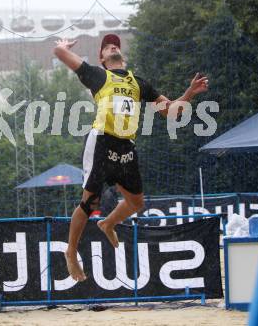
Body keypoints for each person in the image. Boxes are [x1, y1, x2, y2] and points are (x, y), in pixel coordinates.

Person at [53, 34, 209, 282]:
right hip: (103, 141)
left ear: (122, 56)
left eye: (115, 45)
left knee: (136, 203)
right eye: (106, 47)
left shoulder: (139, 84)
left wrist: (189, 92)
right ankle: (70, 252)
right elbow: (60, 54)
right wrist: (62, 47)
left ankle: (108, 224)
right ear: (102, 58)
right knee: (89, 202)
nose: (112, 46)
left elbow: (171, 112)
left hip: (126, 146)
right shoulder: (98, 75)